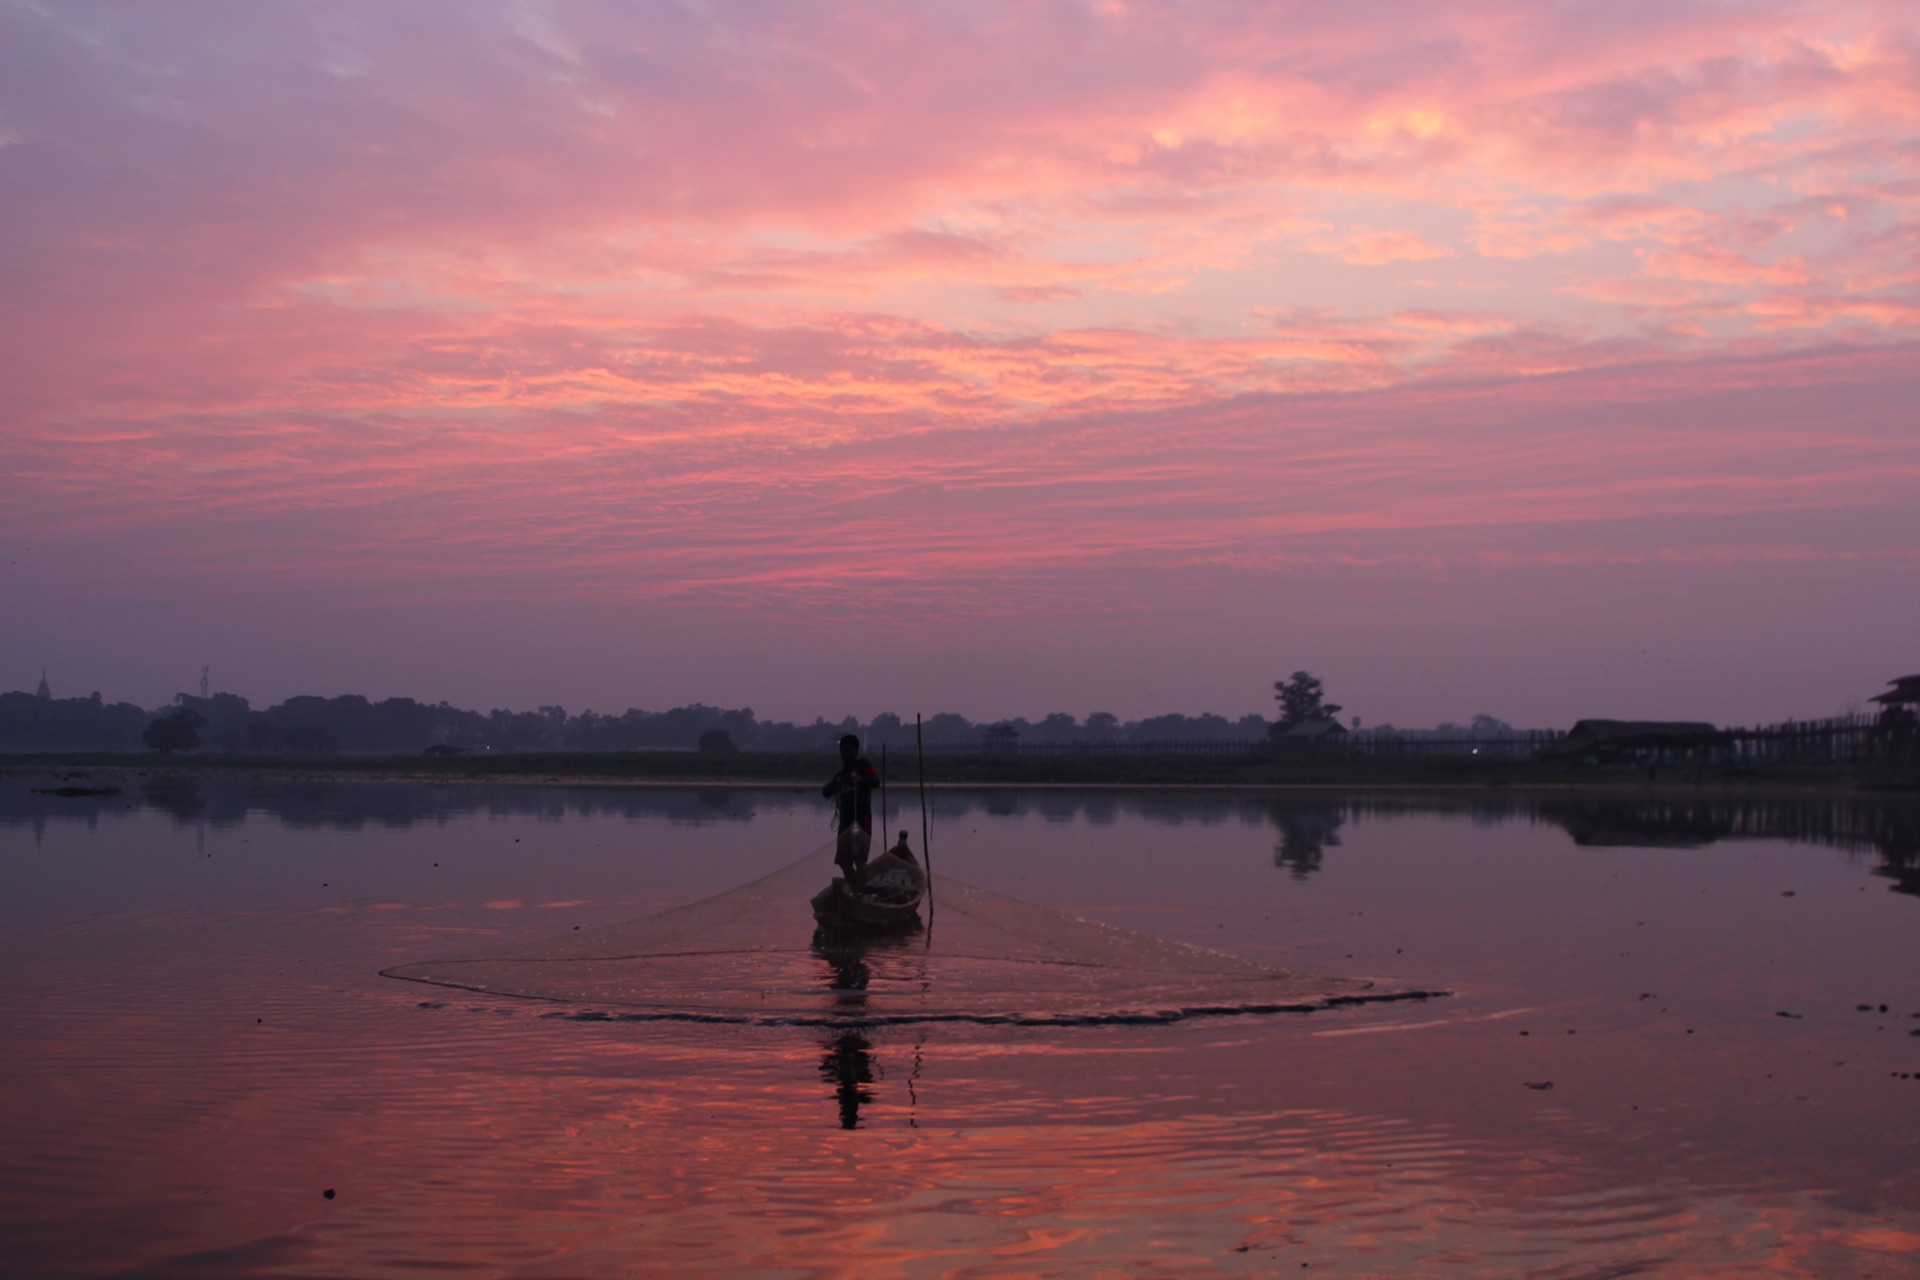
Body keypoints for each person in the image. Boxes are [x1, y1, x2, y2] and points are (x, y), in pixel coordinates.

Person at [823, 734, 879, 895]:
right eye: (844, 751)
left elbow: (875, 781)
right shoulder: (840, 775)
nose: (846, 754)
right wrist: (833, 785)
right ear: (840, 751)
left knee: (859, 859)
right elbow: (825, 792)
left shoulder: (863, 765)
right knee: (842, 860)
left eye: (850, 751)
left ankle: (861, 894)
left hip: (861, 821)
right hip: (845, 823)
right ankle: (857, 891)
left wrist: (860, 779)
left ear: (856, 752)